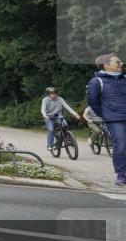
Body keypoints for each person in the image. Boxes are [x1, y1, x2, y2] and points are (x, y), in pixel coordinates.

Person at [86, 55, 125, 186]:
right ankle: (122, 175)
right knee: (121, 145)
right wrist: (105, 114)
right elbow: (92, 101)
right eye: (117, 62)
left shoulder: (124, 78)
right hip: (114, 118)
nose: (121, 63)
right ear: (106, 65)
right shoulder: (96, 81)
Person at [41, 87, 79, 151]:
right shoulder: (45, 100)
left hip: (57, 115)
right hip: (48, 116)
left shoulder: (60, 99)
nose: (54, 95)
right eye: (52, 93)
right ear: (49, 94)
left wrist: (75, 114)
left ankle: (67, 139)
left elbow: (67, 107)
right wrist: (44, 115)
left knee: (65, 125)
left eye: (55, 93)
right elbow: (43, 109)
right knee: (51, 129)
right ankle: (50, 145)